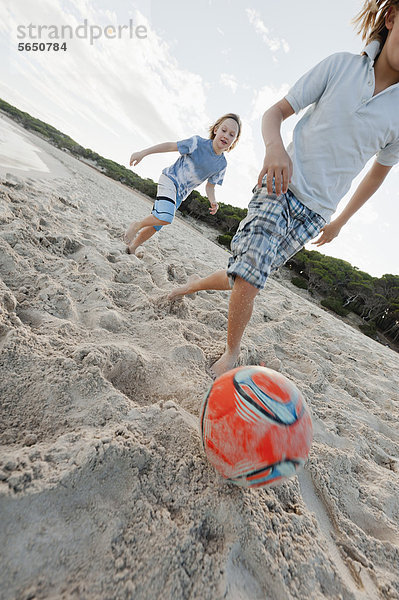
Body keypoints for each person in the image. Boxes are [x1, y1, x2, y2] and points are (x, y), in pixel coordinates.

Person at [168, 0, 399, 378]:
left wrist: (340, 221)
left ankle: (187, 288)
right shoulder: (341, 65)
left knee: (240, 277)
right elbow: (274, 113)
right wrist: (275, 149)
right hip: (279, 183)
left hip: (316, 213)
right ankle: (231, 354)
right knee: (250, 272)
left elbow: (377, 174)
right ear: (391, 17)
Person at [124, 113, 241, 256]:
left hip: (180, 194)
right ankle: (137, 225)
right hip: (169, 180)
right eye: (224, 130)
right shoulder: (197, 143)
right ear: (216, 129)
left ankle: (132, 247)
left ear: (234, 141)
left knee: (156, 224)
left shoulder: (222, 164)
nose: (226, 136)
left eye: (231, 135)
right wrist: (143, 153)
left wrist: (213, 201)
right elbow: (171, 146)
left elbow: (210, 186)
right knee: (166, 217)